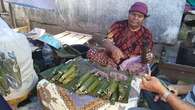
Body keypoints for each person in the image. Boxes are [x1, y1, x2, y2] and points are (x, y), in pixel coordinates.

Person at [87, 2, 154, 69]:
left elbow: (146, 55)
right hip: (112, 60)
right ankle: (112, 70)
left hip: (131, 65)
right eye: (133, 14)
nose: (135, 18)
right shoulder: (118, 25)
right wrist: (113, 48)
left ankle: (117, 73)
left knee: (141, 68)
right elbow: (106, 40)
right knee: (91, 53)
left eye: (140, 16)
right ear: (129, 14)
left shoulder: (146, 34)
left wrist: (148, 57)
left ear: (144, 19)